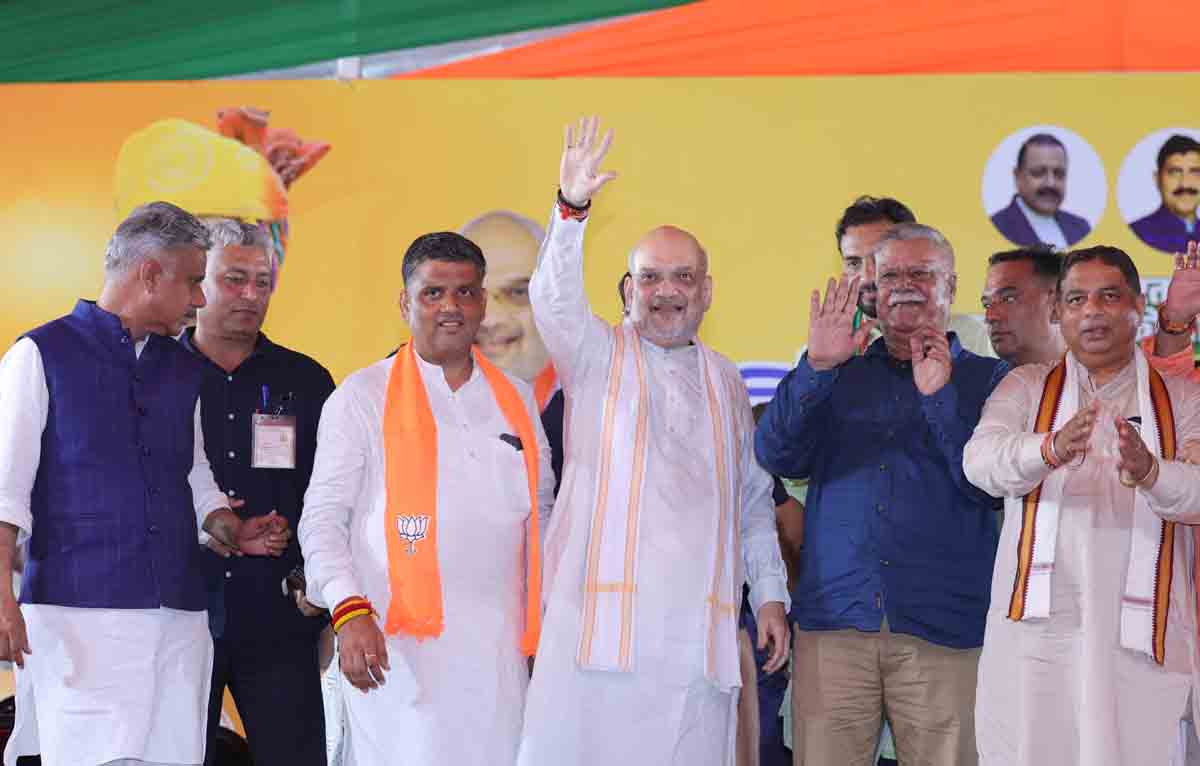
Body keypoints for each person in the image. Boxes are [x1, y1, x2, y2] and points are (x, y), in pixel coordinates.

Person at [517, 116, 790, 766]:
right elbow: (552, 301)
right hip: (601, 642)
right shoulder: (596, 355)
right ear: (627, 291)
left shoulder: (726, 380)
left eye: (683, 277)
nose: (667, 291)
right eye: (650, 277)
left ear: (707, 291)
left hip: (695, 643)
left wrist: (773, 594)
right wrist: (571, 210)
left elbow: (753, 506)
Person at [0, 202, 288, 766]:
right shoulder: (39, 355)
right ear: (149, 274)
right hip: (77, 612)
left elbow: (194, 472)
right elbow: (6, 490)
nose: (200, 300)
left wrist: (225, 525)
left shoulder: (184, 370)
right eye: (192, 282)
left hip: (180, 614)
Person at [298, 231, 554, 765]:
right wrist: (348, 612)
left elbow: (543, 519)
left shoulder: (518, 400)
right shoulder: (361, 397)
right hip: (394, 656)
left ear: (481, 301)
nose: (451, 308)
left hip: (499, 661)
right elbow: (322, 520)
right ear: (404, 302)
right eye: (433, 293)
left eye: (464, 293)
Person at [756, 222, 1007, 765]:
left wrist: (939, 399)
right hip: (836, 626)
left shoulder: (993, 380)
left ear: (952, 285)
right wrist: (817, 367)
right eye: (890, 273)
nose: (905, 285)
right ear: (872, 285)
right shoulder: (837, 373)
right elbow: (776, 455)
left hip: (944, 631)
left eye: (922, 272)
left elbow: (988, 486)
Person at [964, 245, 1200, 765]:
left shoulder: (1181, 398)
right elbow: (979, 462)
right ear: (1058, 313)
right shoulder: (1026, 388)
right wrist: (1048, 448)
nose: (1091, 311)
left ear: (1139, 306)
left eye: (1109, 296)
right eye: (1076, 299)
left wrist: (1151, 472)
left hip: (1142, 644)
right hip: (1039, 640)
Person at [181, 218, 335, 766]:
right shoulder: (157, 373)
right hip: (177, 613)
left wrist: (321, 593)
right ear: (199, 281)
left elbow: (330, 498)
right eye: (233, 279)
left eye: (262, 282)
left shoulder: (308, 381)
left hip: (278, 614)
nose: (250, 295)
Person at [836, 195, 993, 357]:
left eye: (880, 259)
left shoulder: (971, 337)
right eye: (854, 263)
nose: (867, 278)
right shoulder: (826, 348)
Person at [462, 210, 560, 410]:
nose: (489, 319)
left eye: (517, 293)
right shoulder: (399, 409)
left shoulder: (607, 414)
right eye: (467, 294)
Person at [990, 133, 1091, 249]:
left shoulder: (1080, 228)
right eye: (1038, 172)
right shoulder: (996, 228)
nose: (1050, 183)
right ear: (1017, 176)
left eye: (1059, 173)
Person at [981, 246, 1066, 367]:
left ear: (1057, 305)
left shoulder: (1096, 380)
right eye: (987, 304)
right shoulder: (974, 382)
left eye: (1008, 298)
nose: (990, 316)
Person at [1131, 135, 1200, 254]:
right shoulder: (1137, 234)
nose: (1185, 183)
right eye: (1174, 172)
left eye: (1195, 172)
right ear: (1157, 178)